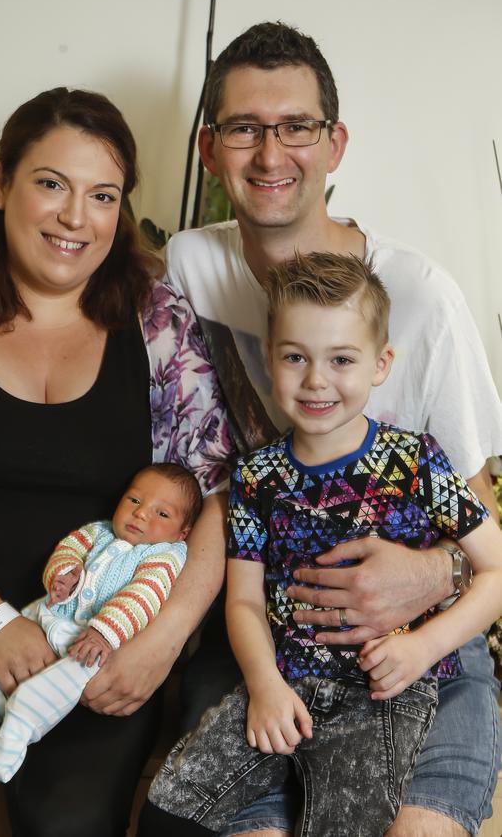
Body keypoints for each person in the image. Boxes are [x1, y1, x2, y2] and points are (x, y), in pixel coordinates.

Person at [0, 87, 234, 837]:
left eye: (102, 195)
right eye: (51, 184)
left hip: (95, 637)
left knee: (68, 824)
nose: (74, 217)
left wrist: (159, 641)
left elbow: (218, 487)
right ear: (1, 184)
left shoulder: (157, 319)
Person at [162, 22, 502, 836]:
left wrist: (430, 576)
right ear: (210, 150)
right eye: (245, 128)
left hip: (415, 653)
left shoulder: (421, 297)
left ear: (335, 142)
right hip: (276, 651)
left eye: (297, 128)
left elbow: (480, 493)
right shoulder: (185, 269)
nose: (270, 154)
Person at [141, 253, 502, 837]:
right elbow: (244, 603)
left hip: (382, 693)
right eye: (295, 358)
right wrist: (263, 686)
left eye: (341, 360)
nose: (316, 380)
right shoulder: (256, 478)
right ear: (269, 357)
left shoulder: (416, 462)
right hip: (285, 683)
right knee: (169, 809)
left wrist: (422, 649)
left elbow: (498, 571)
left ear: (381, 364)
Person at [0, 463, 200, 783]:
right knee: (26, 624)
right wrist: (63, 574)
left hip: (103, 641)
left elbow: (145, 594)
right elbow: (68, 549)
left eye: (162, 514)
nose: (142, 514)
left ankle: (20, 727)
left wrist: (104, 632)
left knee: (67, 676)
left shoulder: (165, 555)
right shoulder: (99, 531)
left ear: (182, 532)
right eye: (134, 501)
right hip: (56, 616)